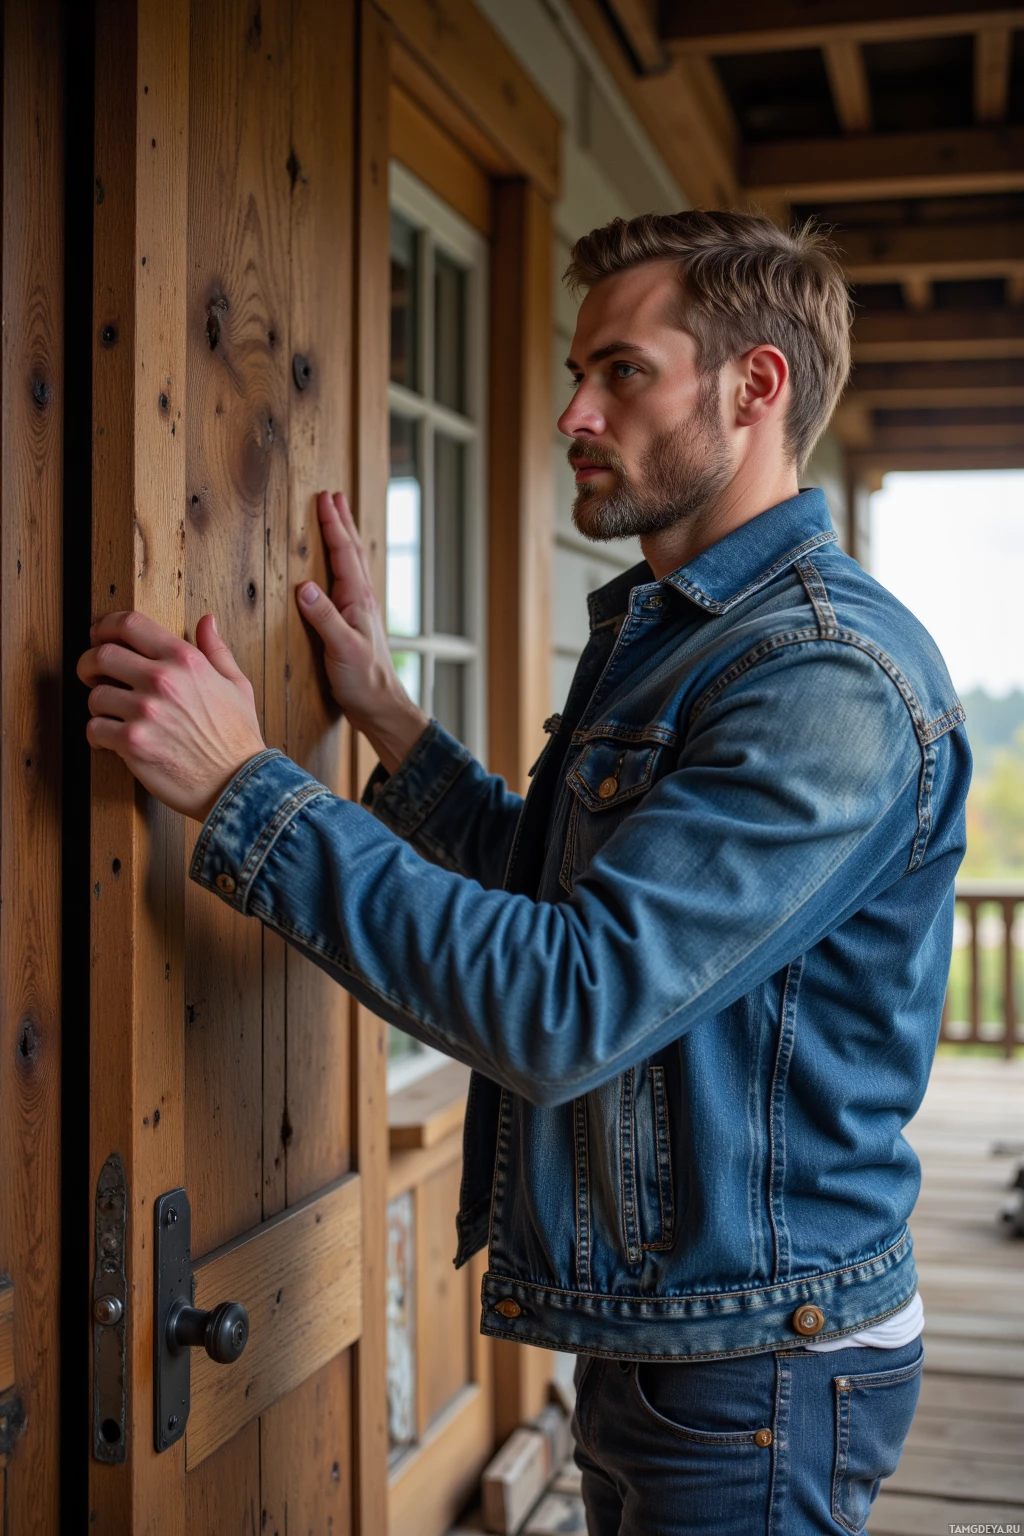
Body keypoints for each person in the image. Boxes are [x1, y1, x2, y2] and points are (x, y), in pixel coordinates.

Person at [78, 211, 970, 1536]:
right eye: (576, 372)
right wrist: (387, 718)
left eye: (621, 371)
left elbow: (574, 999)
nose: (569, 414)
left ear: (755, 387)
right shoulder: (684, 638)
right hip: (684, 1339)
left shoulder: (823, 677)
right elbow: (566, 902)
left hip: (764, 1367)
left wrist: (243, 792)